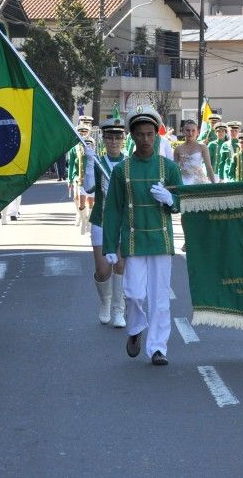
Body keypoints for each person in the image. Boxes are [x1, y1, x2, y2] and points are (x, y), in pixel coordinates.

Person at [101, 105, 183, 366]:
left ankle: (158, 347)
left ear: (156, 135)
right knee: (134, 294)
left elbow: (182, 202)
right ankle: (135, 329)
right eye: (140, 134)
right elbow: (113, 210)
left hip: (161, 240)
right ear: (132, 137)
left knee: (160, 299)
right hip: (134, 241)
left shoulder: (168, 168)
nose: (146, 139)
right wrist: (110, 245)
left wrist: (171, 198)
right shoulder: (121, 170)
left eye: (150, 134)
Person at [82, 116, 128, 327]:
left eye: (117, 138)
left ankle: (119, 309)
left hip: (123, 222)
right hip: (101, 221)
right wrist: (90, 162)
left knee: (120, 265)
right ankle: (105, 302)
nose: (113, 142)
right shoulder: (98, 161)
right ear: (104, 139)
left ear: (123, 139)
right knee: (103, 270)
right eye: (109, 138)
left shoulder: (129, 163)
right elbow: (89, 188)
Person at [173, 120, 215, 185]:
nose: (190, 133)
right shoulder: (178, 149)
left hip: (199, 182)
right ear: (183, 132)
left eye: (193, 130)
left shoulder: (202, 147)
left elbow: (208, 167)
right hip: (183, 182)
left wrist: (214, 184)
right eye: (188, 130)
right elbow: (175, 169)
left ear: (198, 132)